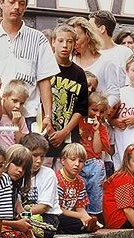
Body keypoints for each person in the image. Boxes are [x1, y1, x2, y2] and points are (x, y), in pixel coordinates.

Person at [0, 0, 59, 140]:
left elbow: (44, 80)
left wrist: (48, 115)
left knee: (26, 160)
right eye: (11, 1)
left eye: (22, 3)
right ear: (1, 3)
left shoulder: (38, 39)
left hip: (28, 116)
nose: (17, 7)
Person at [48, 24, 90, 158]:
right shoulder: (44, 67)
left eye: (69, 41)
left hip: (69, 135)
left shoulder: (79, 73)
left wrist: (65, 132)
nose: (65, 45)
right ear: (53, 42)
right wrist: (49, 128)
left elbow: (81, 108)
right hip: (45, 130)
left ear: (74, 44)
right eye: (60, 41)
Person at [19, 133, 62, 236]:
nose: (38, 161)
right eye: (34, 155)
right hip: (24, 215)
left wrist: (22, 215)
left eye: (42, 156)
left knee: (43, 229)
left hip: (46, 216)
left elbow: (43, 207)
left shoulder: (48, 174)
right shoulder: (18, 173)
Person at [78, 91, 110, 219]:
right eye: (94, 110)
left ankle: (95, 214)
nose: (97, 114)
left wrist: (96, 131)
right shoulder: (79, 121)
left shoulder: (102, 128)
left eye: (101, 112)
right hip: (78, 161)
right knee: (81, 187)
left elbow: (97, 151)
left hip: (92, 161)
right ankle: (81, 214)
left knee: (95, 184)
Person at [55, 143, 98, 234]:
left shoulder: (80, 181)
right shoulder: (57, 179)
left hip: (71, 214)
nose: (77, 164)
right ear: (63, 160)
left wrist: (88, 219)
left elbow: (80, 207)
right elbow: (57, 208)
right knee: (75, 224)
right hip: (57, 214)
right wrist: (80, 216)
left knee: (83, 223)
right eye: (73, 160)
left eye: (81, 161)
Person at [0, 78, 30, 146]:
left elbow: (22, 144)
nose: (18, 106)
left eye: (22, 103)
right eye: (15, 101)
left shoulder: (20, 119)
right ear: (4, 96)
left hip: (13, 155)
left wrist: (16, 124)